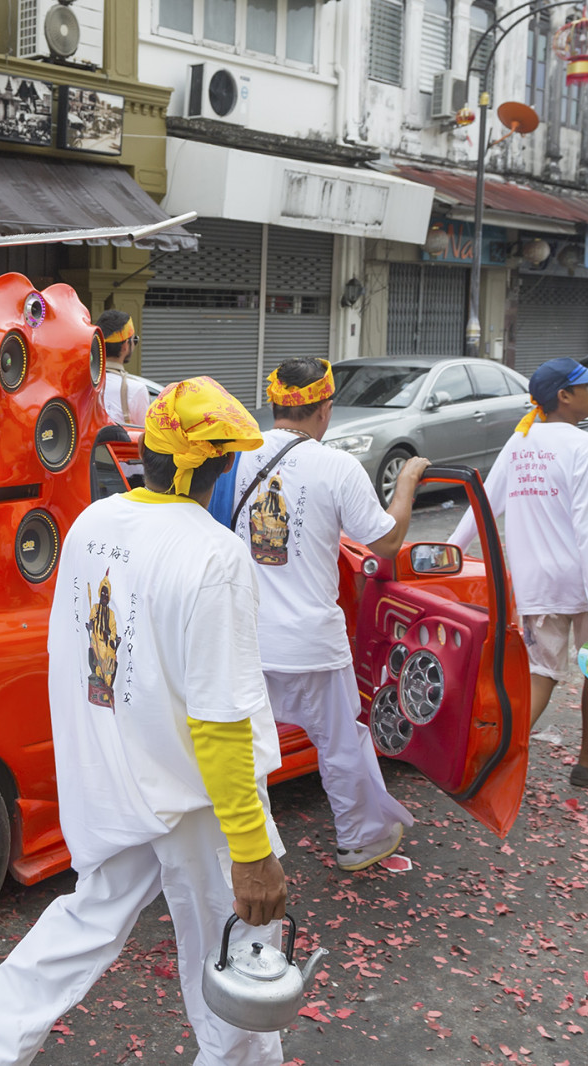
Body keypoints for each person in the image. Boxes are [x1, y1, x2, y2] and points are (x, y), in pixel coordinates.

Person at [0, 378, 288, 1066]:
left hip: (120, 778)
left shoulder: (93, 523)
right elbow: (220, 720)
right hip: (199, 799)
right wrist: (252, 851)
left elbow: (81, 656)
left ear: (148, 453)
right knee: (235, 948)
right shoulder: (214, 554)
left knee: (87, 920)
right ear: (223, 464)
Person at [230, 358, 426, 872]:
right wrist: (406, 482)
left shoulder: (236, 457)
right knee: (341, 744)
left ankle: (243, 852)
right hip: (311, 641)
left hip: (244, 638)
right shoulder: (336, 466)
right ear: (325, 409)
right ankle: (360, 840)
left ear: (275, 404)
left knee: (244, 749)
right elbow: (385, 543)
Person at [448, 357, 588, 788]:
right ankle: (587, 761)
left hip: (535, 583)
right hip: (584, 578)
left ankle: (490, 766)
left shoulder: (519, 441)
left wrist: (448, 553)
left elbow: (483, 505)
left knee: (541, 673)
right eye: (587, 387)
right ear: (564, 396)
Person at [97, 309, 149, 426]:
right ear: (125, 345)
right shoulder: (136, 389)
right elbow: (145, 434)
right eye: (134, 340)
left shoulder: (81, 383)